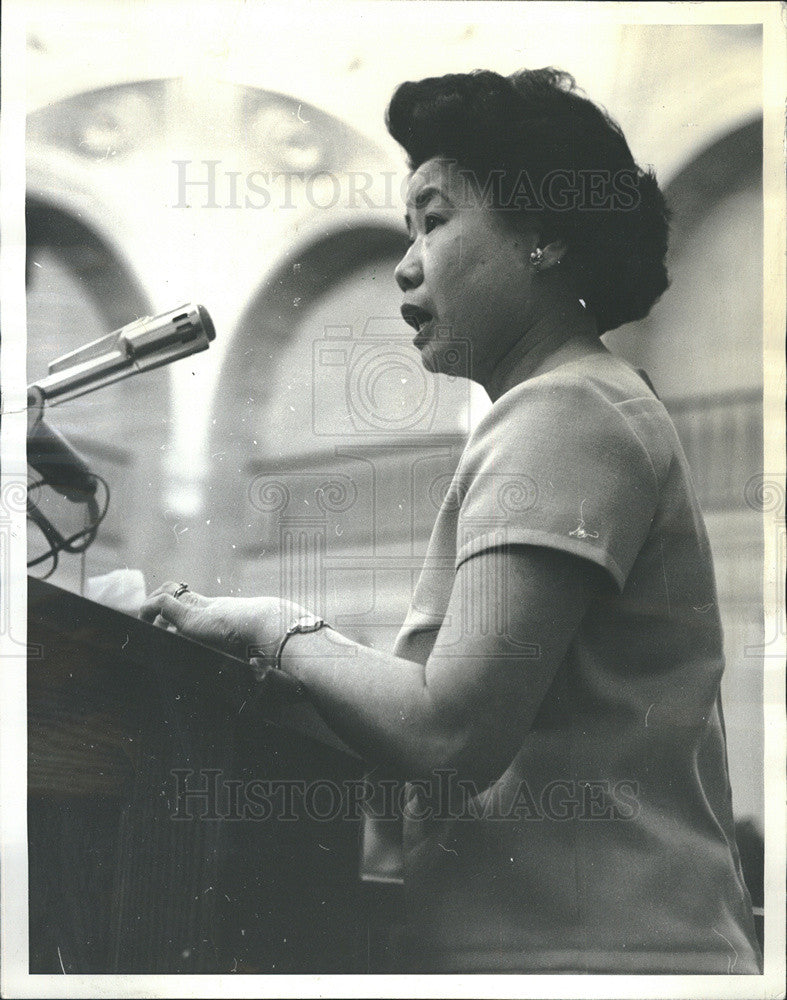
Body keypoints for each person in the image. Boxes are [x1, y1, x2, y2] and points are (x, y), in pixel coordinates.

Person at [141, 68, 762, 974]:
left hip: (601, 965)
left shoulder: (566, 410)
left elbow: (447, 736)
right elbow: (442, 727)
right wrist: (270, 668)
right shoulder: (577, 406)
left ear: (544, 234)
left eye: (433, 220)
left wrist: (273, 627)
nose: (403, 263)